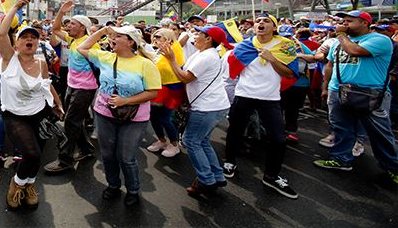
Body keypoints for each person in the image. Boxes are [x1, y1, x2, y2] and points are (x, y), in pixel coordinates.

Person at [77, 25, 160, 206]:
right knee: (107, 154)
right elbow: (81, 48)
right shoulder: (105, 57)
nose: (112, 39)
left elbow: (153, 93)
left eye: (118, 36)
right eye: (112, 36)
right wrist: (102, 32)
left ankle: (133, 189)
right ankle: (113, 185)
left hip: (135, 117)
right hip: (104, 113)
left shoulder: (145, 64)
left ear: (131, 42)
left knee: (126, 156)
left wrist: (125, 101)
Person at [313, 11, 398, 185]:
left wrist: (342, 35)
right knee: (341, 128)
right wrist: (326, 87)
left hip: (370, 93)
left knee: (379, 133)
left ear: (364, 23)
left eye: (349, 21)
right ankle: (341, 159)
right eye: (343, 21)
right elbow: (330, 65)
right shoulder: (339, 41)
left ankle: (393, 167)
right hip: (338, 91)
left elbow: (355, 51)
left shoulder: (379, 40)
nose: (344, 24)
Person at [223, 14, 300, 199]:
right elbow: (232, 68)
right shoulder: (246, 45)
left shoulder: (286, 46)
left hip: (270, 98)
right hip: (244, 95)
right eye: (258, 21)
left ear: (274, 27)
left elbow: (290, 74)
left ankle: (271, 176)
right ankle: (229, 161)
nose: (260, 23)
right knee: (235, 130)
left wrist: (272, 59)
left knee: (279, 139)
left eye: (266, 21)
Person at [0, 0, 63, 210]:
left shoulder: (42, 62)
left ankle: (29, 186)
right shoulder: (9, 59)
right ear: (16, 43)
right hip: (15, 115)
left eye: (33, 37)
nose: (30, 40)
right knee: (31, 153)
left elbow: (46, 86)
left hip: (40, 114)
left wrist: (57, 103)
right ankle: (16, 185)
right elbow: (1, 32)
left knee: (38, 155)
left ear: (38, 42)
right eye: (24, 37)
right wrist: (16, 6)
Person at [161, 26, 231, 196]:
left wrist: (171, 60)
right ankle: (217, 175)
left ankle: (206, 180)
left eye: (199, 33)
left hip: (207, 107)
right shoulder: (202, 53)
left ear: (208, 39)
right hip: (213, 104)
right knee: (203, 141)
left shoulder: (207, 56)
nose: (195, 35)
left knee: (191, 141)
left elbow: (185, 77)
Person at [45, 1, 99, 174]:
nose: (68, 26)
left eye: (72, 24)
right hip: (72, 86)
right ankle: (87, 149)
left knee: (70, 122)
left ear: (83, 27)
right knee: (75, 120)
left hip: (85, 89)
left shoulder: (90, 44)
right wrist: (61, 11)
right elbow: (54, 29)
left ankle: (65, 160)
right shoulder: (72, 39)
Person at [146, 28, 185, 157]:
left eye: (158, 37)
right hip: (159, 87)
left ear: (168, 39)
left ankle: (174, 145)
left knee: (165, 119)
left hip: (172, 89)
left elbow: (172, 68)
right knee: (153, 117)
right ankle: (162, 140)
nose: (155, 39)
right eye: (155, 36)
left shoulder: (174, 49)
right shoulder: (159, 50)